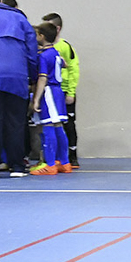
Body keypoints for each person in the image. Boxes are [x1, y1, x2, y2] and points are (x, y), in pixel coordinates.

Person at [0, 0, 37, 180]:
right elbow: (32, 52)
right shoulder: (20, 19)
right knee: (16, 123)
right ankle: (17, 166)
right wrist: (32, 77)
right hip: (16, 77)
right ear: (1, 1)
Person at [29, 23, 71, 176]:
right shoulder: (56, 53)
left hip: (49, 92)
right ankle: (64, 162)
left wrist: (36, 99)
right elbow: (64, 64)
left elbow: (42, 79)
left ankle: (50, 164)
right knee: (58, 125)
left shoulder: (43, 56)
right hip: (58, 91)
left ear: (42, 36)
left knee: (48, 126)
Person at [41, 13, 80, 168]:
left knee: (68, 124)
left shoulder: (65, 46)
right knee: (51, 124)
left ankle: (72, 156)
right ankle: (56, 158)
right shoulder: (43, 49)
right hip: (49, 91)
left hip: (63, 90)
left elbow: (73, 69)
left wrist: (70, 92)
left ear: (57, 28)